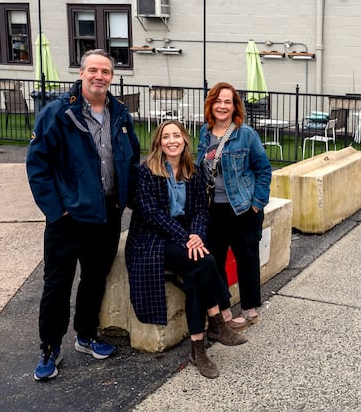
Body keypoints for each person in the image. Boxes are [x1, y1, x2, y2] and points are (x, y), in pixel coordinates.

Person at [26, 49, 140, 381]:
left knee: (93, 280)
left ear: (112, 77)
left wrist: (129, 201)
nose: (99, 76)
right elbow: (38, 166)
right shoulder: (57, 114)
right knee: (57, 285)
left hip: (106, 216)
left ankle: (86, 336)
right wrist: (56, 211)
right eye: (93, 70)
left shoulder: (120, 114)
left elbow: (131, 161)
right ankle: (50, 348)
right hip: (67, 219)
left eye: (105, 71)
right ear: (81, 73)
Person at [125, 120, 247, 379]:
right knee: (206, 262)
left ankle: (198, 349)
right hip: (151, 240)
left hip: (184, 237)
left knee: (196, 278)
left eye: (176, 136)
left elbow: (202, 210)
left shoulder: (192, 170)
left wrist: (196, 236)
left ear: (184, 140)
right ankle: (217, 323)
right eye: (166, 136)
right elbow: (151, 214)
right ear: (159, 142)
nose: (172, 141)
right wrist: (187, 238)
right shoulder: (146, 172)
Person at [197, 82, 272, 330]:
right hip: (213, 209)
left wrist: (256, 204)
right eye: (218, 101)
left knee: (246, 259)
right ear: (211, 105)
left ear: (234, 106)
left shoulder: (246, 134)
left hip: (242, 208)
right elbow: (200, 168)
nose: (222, 106)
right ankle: (225, 310)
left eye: (227, 101)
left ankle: (250, 311)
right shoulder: (204, 133)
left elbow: (263, 170)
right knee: (215, 261)